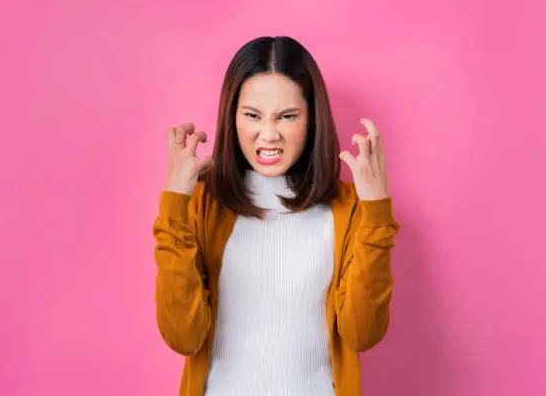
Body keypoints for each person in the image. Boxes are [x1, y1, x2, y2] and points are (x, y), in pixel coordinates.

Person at [152, 36, 400, 396]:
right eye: (252, 115)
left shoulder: (348, 210)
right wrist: (174, 204)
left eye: (287, 116)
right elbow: (182, 336)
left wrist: (377, 210)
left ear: (312, 118)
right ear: (232, 116)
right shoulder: (204, 205)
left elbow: (363, 333)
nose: (268, 134)